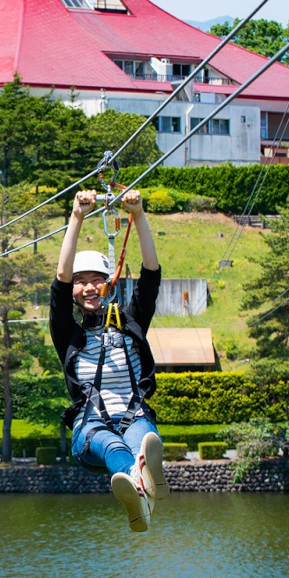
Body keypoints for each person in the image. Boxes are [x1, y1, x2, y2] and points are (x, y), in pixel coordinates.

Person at [51, 189, 171, 532]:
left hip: (134, 416)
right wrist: (77, 217)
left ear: (108, 285)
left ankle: (142, 492)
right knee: (115, 444)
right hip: (91, 429)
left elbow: (151, 273)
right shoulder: (68, 334)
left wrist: (139, 215)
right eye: (81, 282)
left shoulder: (132, 323)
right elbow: (59, 282)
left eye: (96, 281)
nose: (89, 288)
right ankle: (140, 479)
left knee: (145, 441)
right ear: (74, 291)